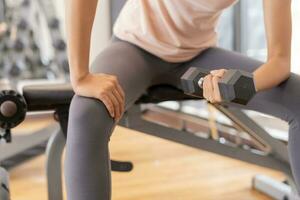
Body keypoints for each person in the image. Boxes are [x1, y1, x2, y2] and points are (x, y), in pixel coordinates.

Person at [64, 1, 296, 199]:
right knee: (87, 113)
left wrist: (241, 86)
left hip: (197, 56)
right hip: (134, 48)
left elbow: (280, 61)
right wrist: (80, 75)